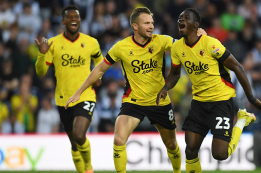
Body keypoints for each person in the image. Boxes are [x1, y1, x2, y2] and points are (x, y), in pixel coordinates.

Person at [66, 7, 206, 173]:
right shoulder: (121, 47)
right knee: (118, 140)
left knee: (172, 144)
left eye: (152, 23)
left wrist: (198, 35)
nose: (151, 26)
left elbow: (186, 44)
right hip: (133, 102)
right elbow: (99, 69)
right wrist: (79, 92)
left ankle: (177, 171)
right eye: (146, 23)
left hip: (159, 101)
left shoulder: (161, 41)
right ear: (135, 26)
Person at [156, 8, 261, 173]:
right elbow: (174, 74)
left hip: (220, 101)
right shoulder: (177, 48)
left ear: (196, 25)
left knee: (220, 154)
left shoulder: (210, 44)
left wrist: (251, 97)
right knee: (190, 149)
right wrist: (166, 88)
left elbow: (237, 67)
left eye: (186, 18)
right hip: (199, 103)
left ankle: (242, 120)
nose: (181, 20)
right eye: (180, 18)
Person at [35, 5, 103, 173]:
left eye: (77, 17)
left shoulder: (91, 42)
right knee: (74, 143)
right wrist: (42, 54)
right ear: (63, 21)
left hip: (86, 95)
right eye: (70, 17)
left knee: (79, 135)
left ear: (80, 20)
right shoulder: (54, 44)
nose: (74, 19)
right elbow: (41, 72)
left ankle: (88, 168)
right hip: (63, 99)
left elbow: (100, 62)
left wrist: (98, 77)